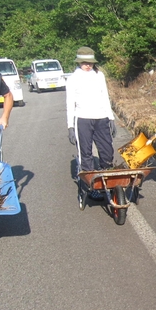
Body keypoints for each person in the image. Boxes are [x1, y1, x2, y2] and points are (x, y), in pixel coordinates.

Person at [66, 47, 116, 198]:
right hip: (82, 118)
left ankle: (108, 179)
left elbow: (105, 96)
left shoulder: (99, 75)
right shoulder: (73, 78)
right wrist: (70, 126)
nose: (88, 65)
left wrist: (111, 117)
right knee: (86, 152)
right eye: (84, 63)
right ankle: (91, 184)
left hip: (101, 117)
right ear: (79, 62)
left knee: (106, 150)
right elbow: (70, 103)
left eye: (90, 63)